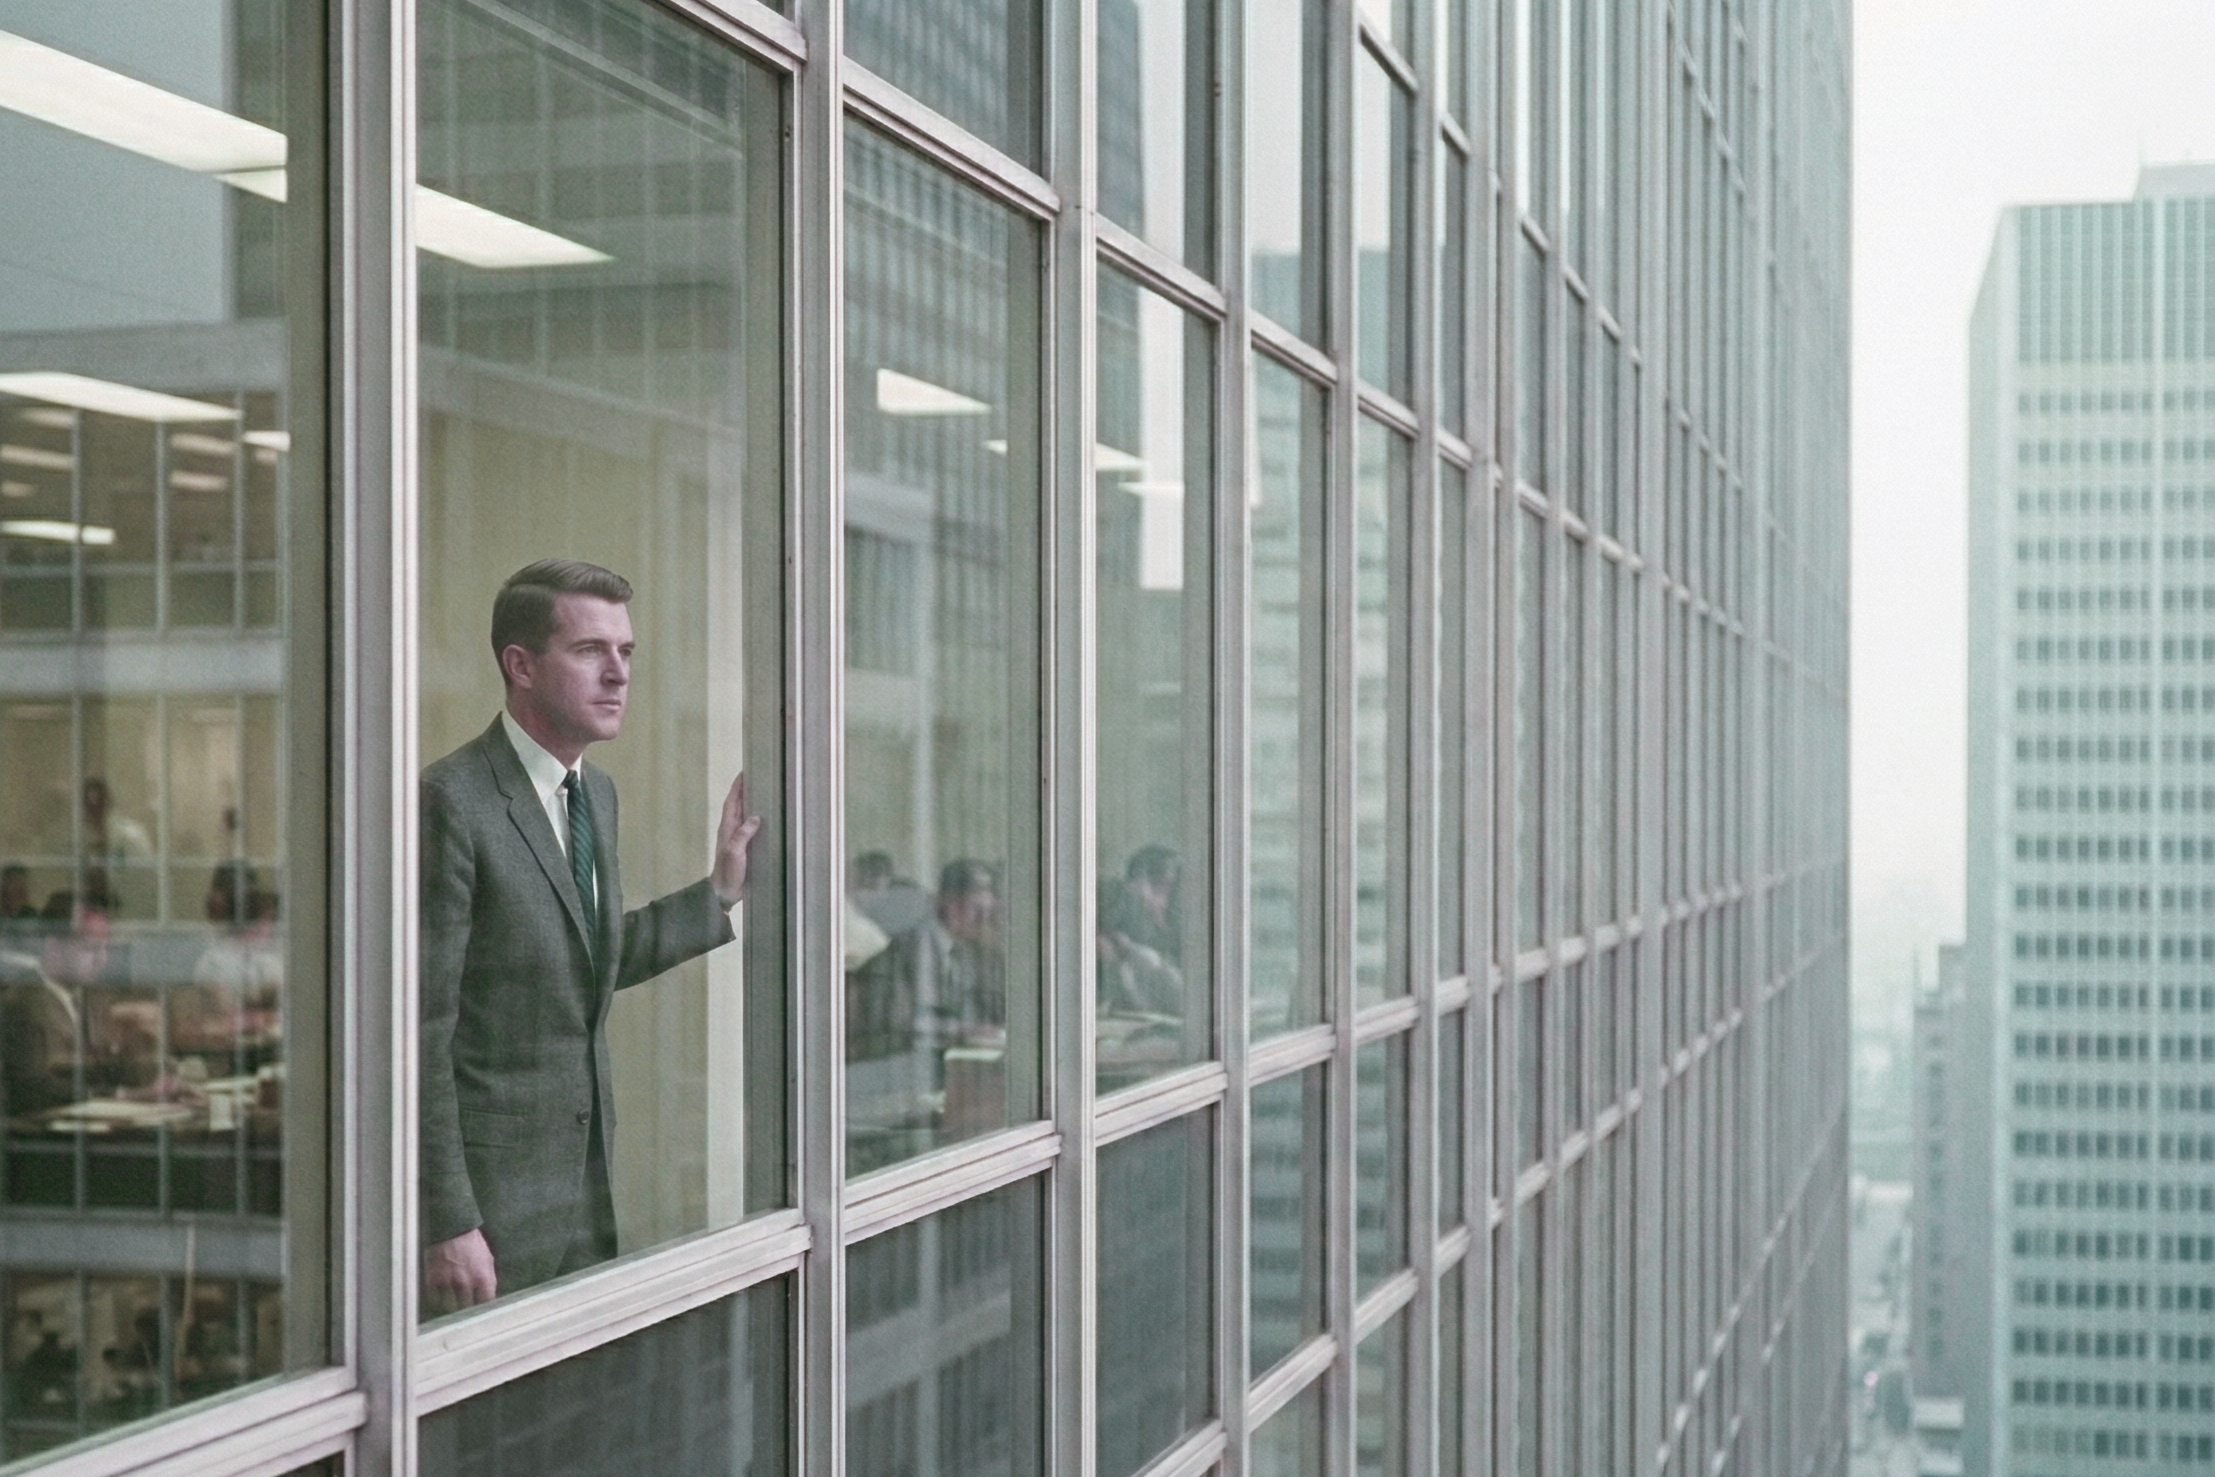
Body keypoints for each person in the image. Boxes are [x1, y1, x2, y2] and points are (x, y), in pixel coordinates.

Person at [419, 559, 764, 1314]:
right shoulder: (452, 800)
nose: (618, 675)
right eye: (590, 651)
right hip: (488, 1217)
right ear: (521, 666)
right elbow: (416, 1031)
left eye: (627, 654)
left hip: (583, 1190)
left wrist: (719, 892)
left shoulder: (592, 792)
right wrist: (445, 1219)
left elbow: (585, 961)